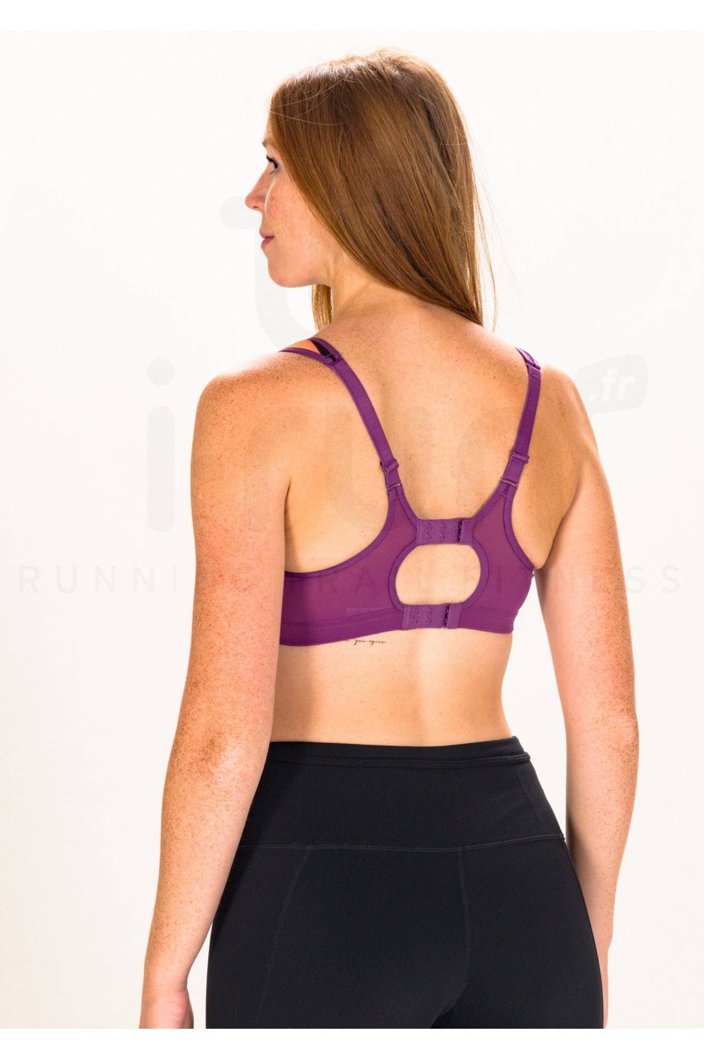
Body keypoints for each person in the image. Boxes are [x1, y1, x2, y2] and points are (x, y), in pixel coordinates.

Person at [139, 48, 638, 1029]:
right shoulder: (555, 407)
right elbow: (610, 723)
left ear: (347, 181)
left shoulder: (254, 407)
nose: (254, 196)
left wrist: (166, 973)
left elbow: (221, 736)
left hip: (321, 886)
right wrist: (585, 937)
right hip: (518, 884)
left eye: (275, 165)